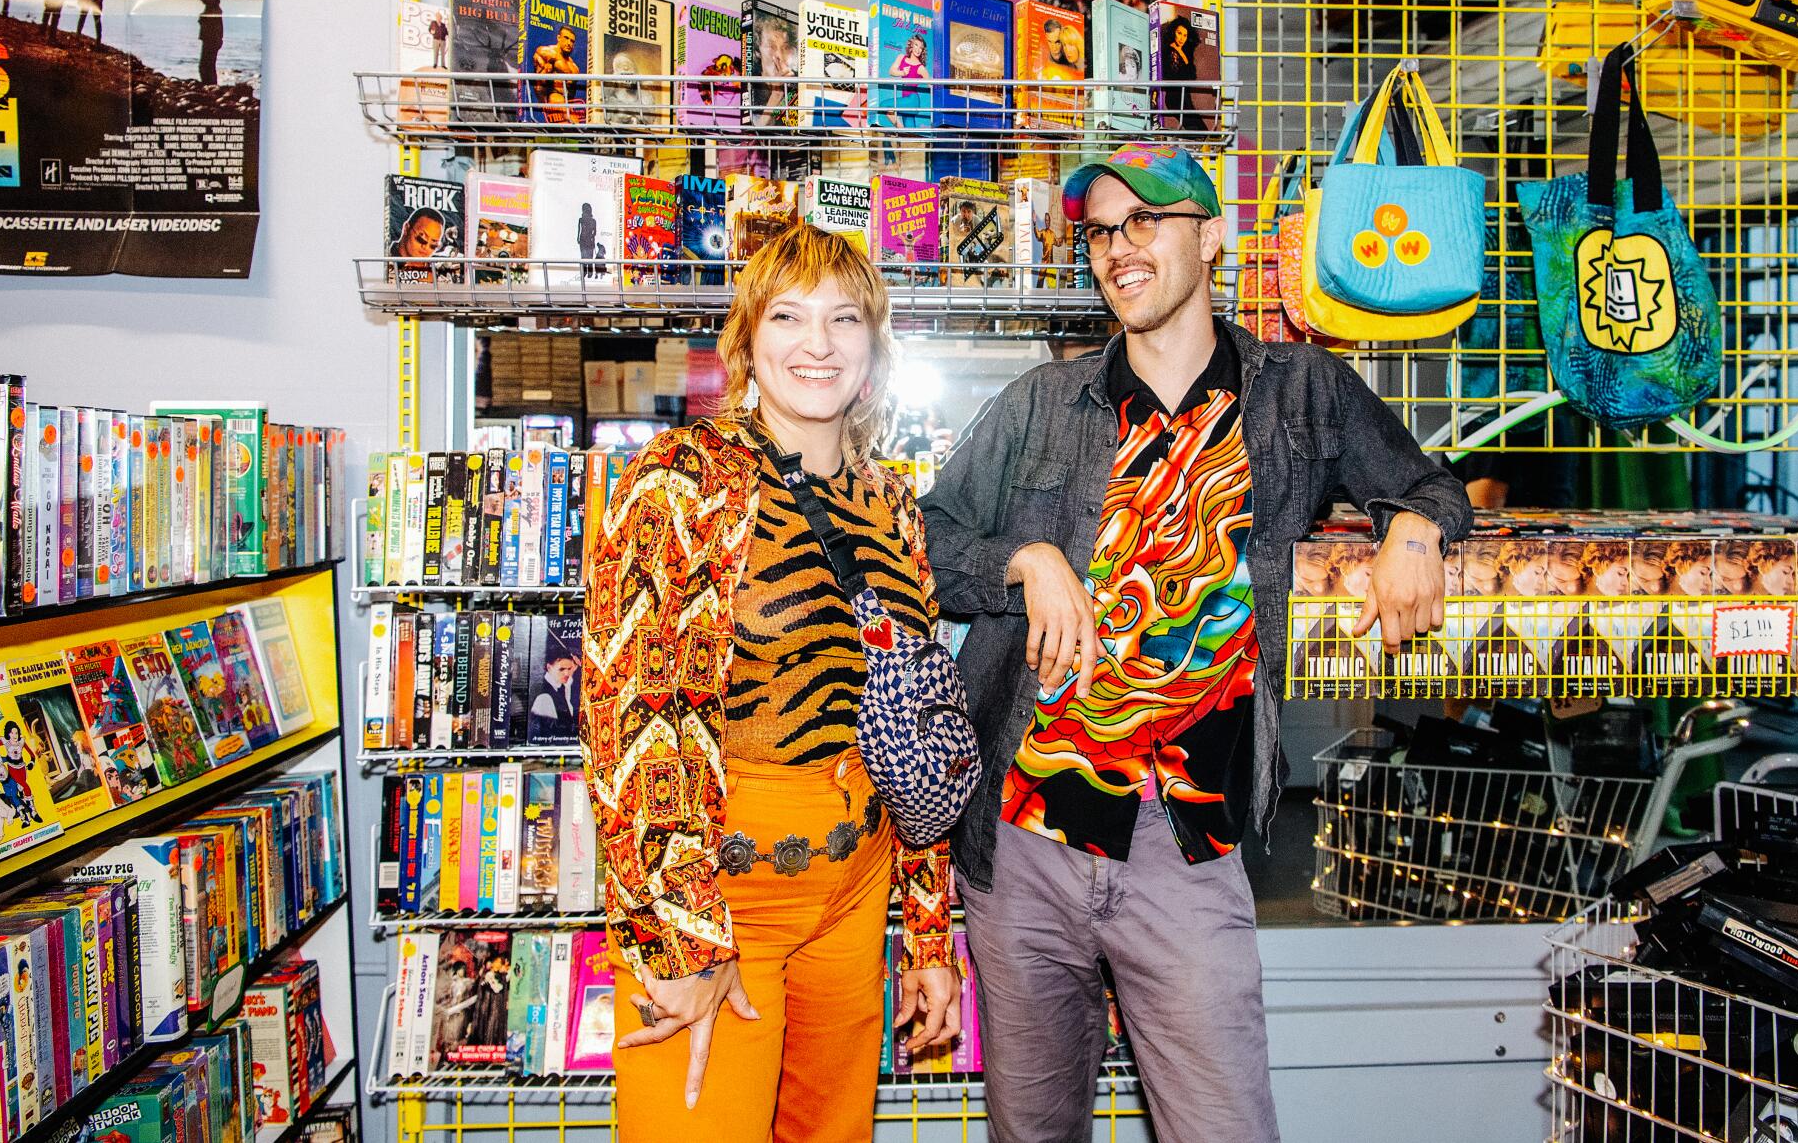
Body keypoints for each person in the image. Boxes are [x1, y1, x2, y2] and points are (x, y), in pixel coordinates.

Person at [919, 143, 1471, 1143]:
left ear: (1210, 235)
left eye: (1144, 222)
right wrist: (1028, 560)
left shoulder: (1298, 391)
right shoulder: (1041, 406)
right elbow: (926, 538)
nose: (1115, 249)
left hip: (1183, 839)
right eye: (1098, 230)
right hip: (1024, 840)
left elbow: (1427, 482)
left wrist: (1415, 527)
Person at [583, 224, 961, 1142]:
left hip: (856, 889)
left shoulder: (893, 504)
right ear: (748, 340)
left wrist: (926, 937)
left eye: (844, 317)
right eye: (788, 315)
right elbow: (631, 712)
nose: (818, 342)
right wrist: (678, 940)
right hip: (722, 894)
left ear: (873, 347)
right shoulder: (679, 477)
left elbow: (916, 729)